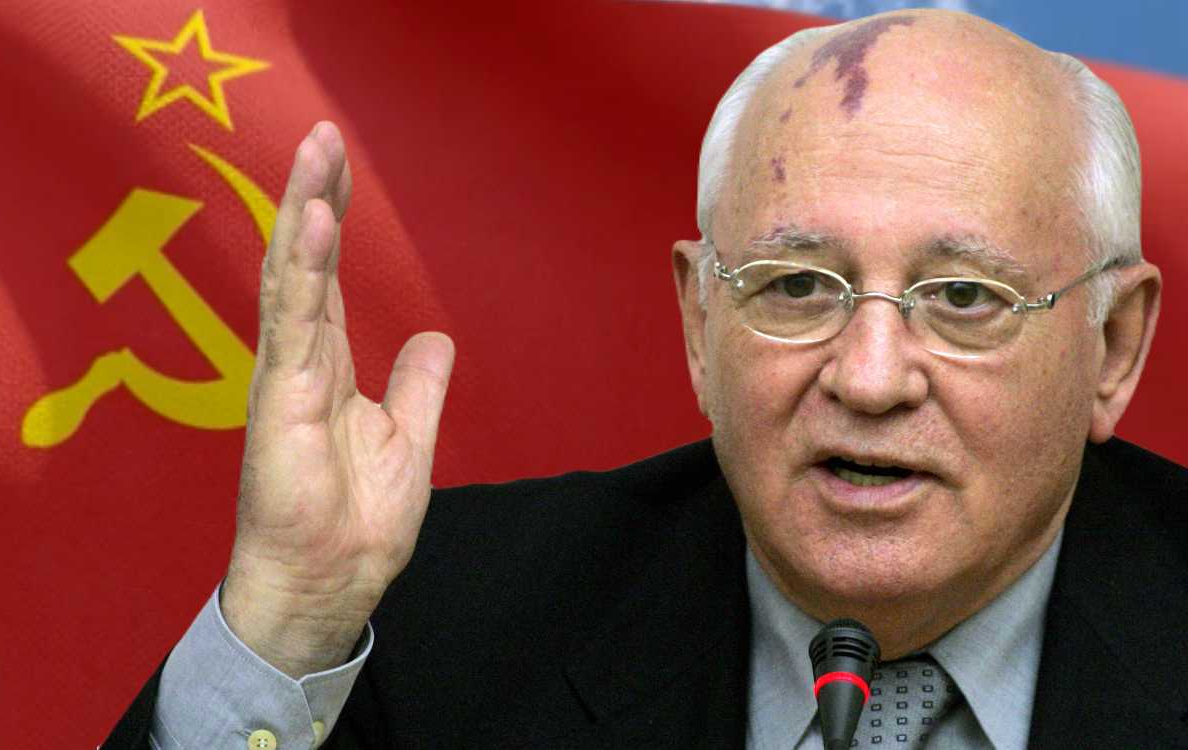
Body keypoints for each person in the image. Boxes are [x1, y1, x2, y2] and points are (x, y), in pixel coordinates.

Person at [106, 8, 1187, 749]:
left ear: (1113, 347)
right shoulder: (439, 625)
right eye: (796, 286)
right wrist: (289, 623)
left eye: (962, 298)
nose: (868, 379)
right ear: (701, 325)